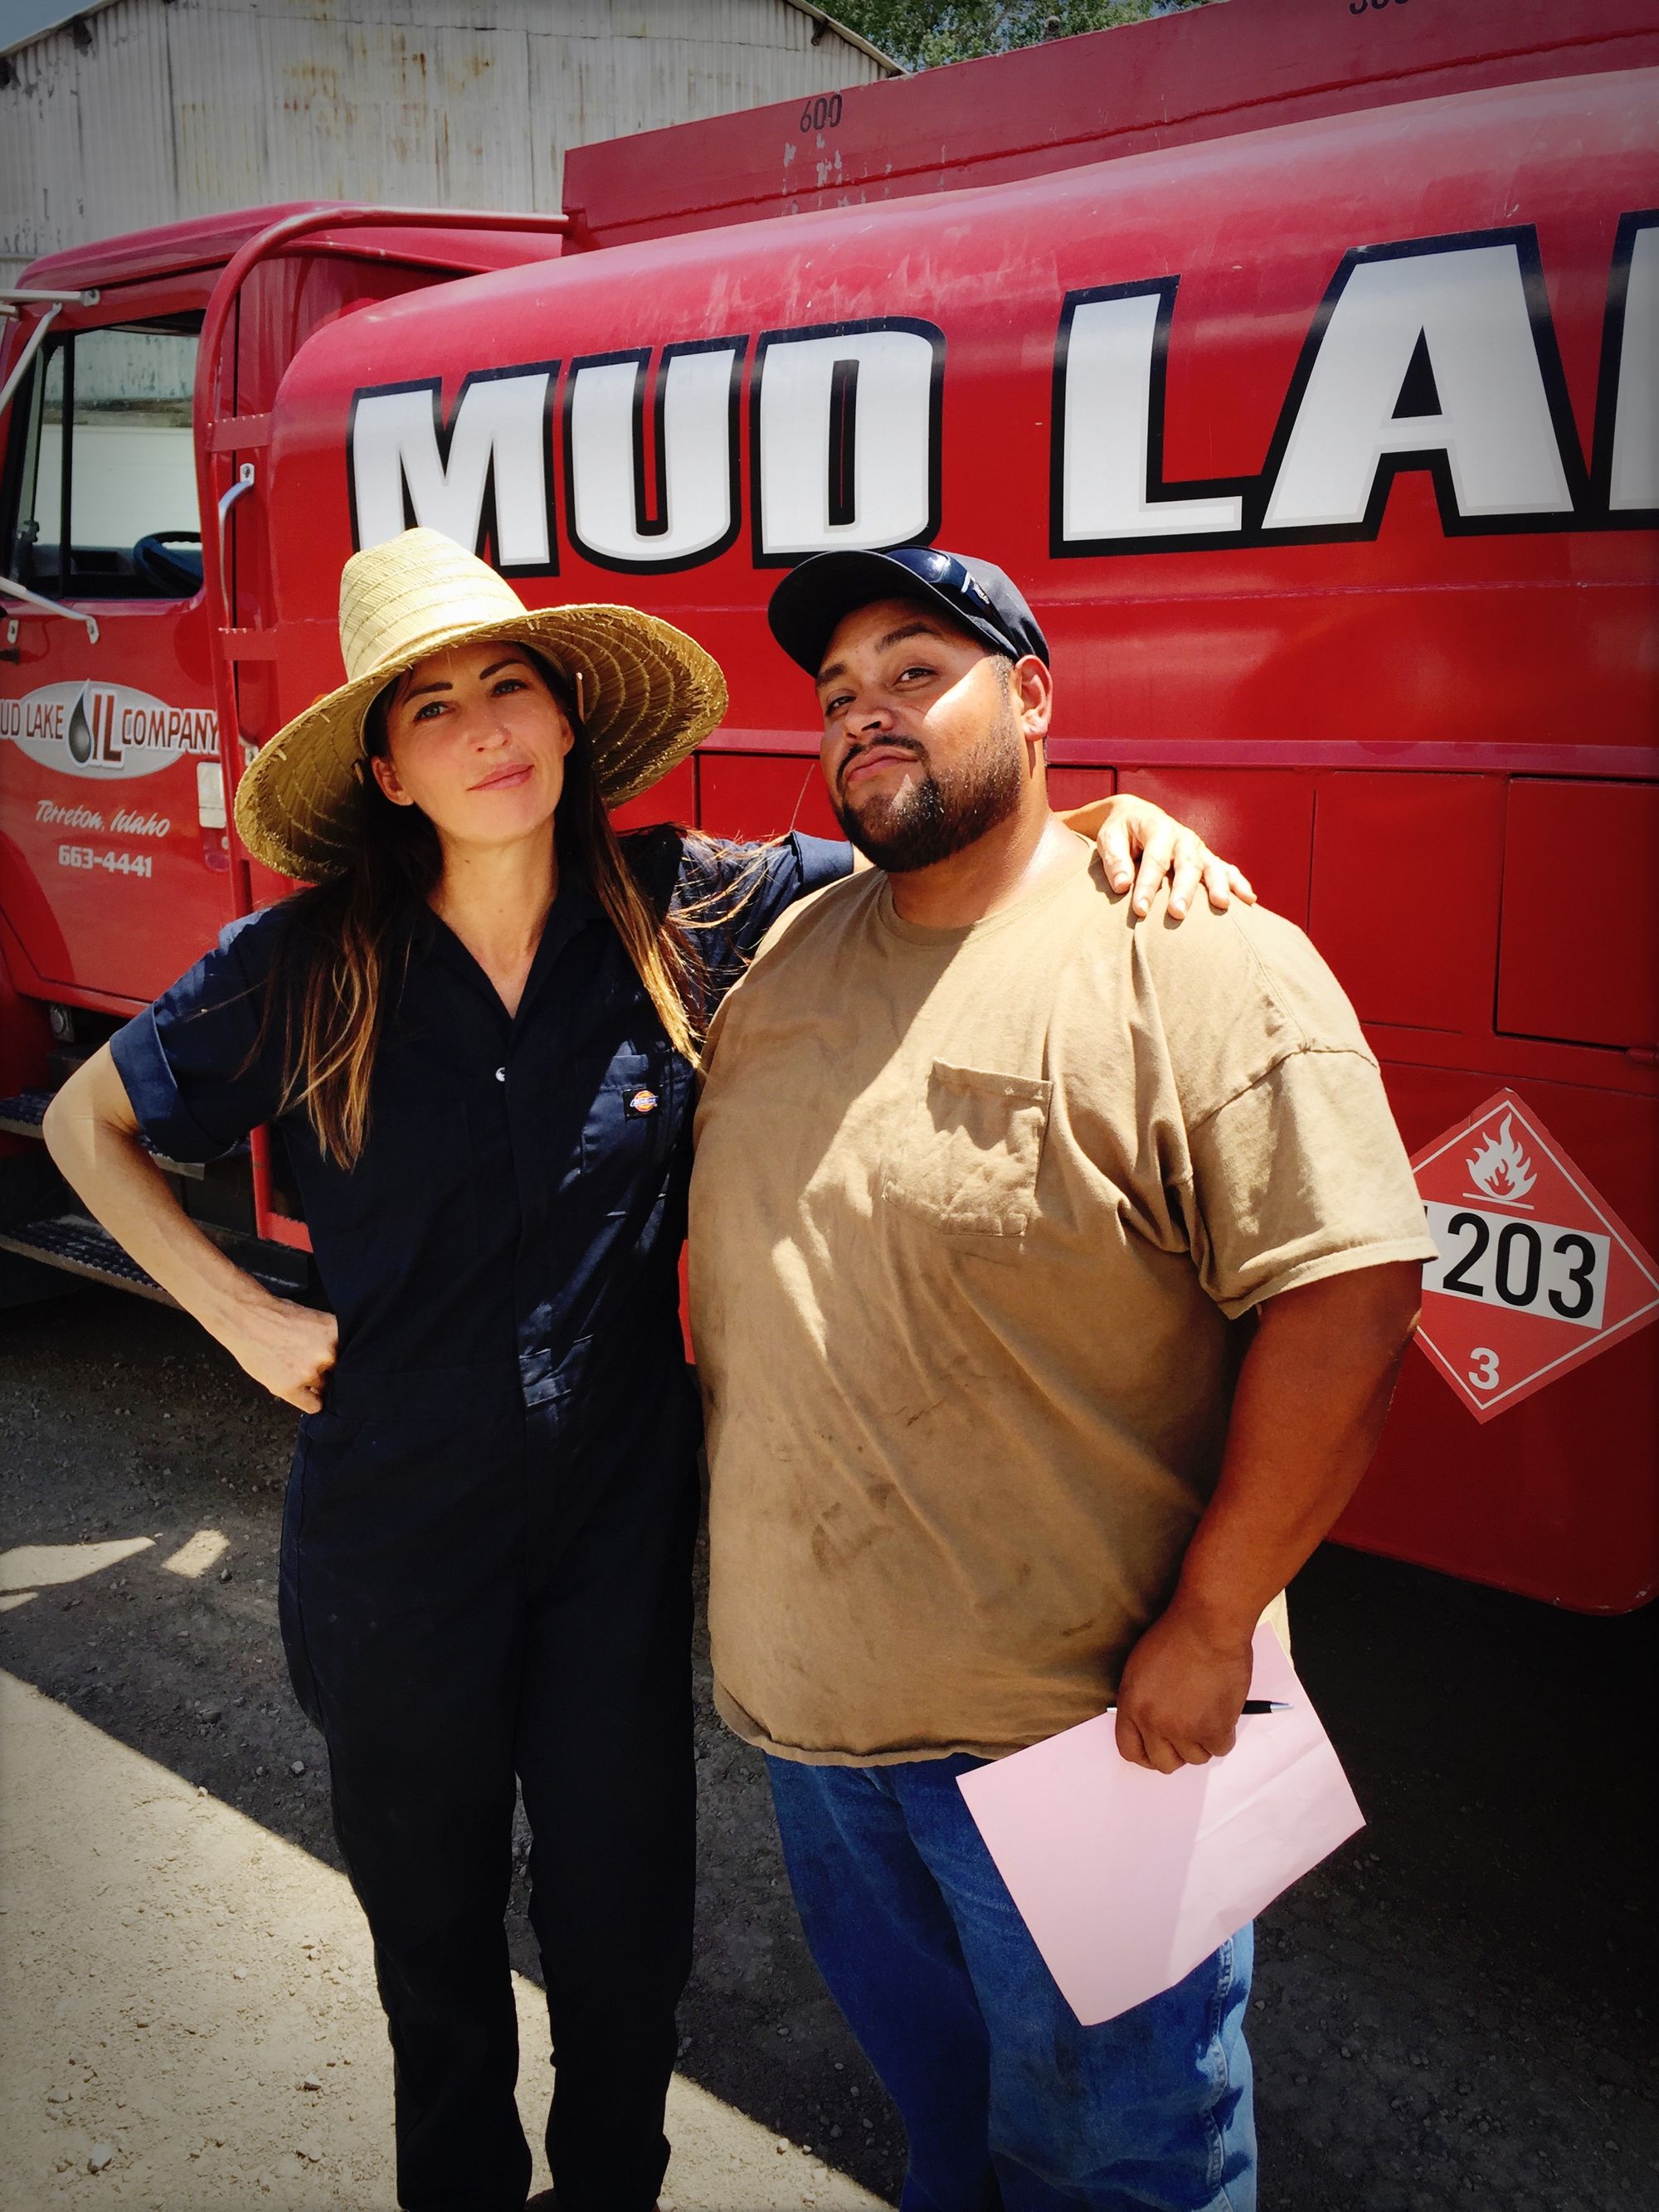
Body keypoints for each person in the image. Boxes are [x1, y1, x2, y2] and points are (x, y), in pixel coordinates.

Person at [42, 526, 1244, 2212]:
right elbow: (85, 1121)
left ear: (565, 717)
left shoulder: (693, 906)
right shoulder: (307, 966)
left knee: (625, 1934)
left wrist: (1117, 825)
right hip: (394, 1547)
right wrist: (239, 1312)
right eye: (434, 708)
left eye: (510, 685)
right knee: (434, 1945)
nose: (485, 728)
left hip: (617, 1536)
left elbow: (951, 844)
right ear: (387, 770)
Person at [688, 546, 1438, 2212]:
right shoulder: (785, 949)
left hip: (1092, 1741)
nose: (864, 713)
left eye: (916, 672)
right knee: (946, 2125)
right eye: (836, 694)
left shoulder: (1193, 951)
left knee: (1127, 2159)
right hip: (816, 1731)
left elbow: (1351, 1296)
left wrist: (1216, 1621)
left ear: (1033, 697)